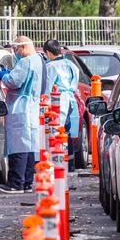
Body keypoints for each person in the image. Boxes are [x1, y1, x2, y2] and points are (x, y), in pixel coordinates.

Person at [0, 36, 47, 193]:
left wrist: (3, 75)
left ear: (23, 47)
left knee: (18, 146)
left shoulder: (25, 62)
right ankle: (26, 182)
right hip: (32, 107)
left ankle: (15, 183)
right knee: (30, 146)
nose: (15, 52)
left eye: (16, 49)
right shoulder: (40, 61)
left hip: (20, 108)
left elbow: (14, 82)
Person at [43, 39, 80, 171]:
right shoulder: (71, 64)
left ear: (48, 52)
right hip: (71, 100)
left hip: (57, 100)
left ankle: (57, 162)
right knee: (67, 131)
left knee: (56, 131)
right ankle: (70, 164)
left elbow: (47, 88)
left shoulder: (50, 67)